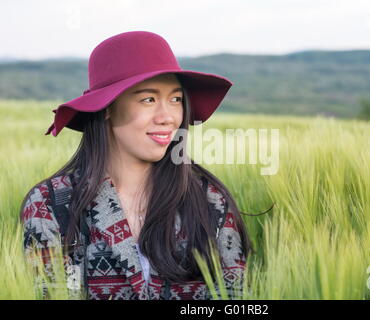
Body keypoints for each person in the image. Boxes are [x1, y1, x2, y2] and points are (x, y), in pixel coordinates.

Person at [18, 31, 268, 300]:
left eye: (175, 99)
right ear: (107, 108)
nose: (168, 117)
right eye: (148, 99)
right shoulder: (51, 204)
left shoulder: (210, 200)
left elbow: (235, 299)